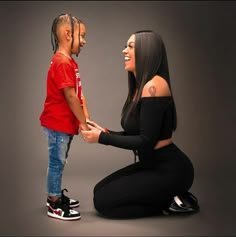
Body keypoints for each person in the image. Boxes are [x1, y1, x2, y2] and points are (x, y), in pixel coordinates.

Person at [80, 30, 199, 219]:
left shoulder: (154, 86)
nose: (124, 51)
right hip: (151, 165)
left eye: (130, 47)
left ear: (147, 52)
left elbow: (146, 141)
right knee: (99, 190)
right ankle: (167, 197)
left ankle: (169, 202)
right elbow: (137, 133)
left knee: (103, 202)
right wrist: (105, 131)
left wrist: (102, 138)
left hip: (170, 170)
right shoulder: (140, 88)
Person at [39, 13, 90, 221]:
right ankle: (54, 202)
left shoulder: (69, 62)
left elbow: (78, 93)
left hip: (64, 124)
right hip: (57, 124)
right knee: (57, 162)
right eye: (83, 36)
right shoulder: (61, 62)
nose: (85, 41)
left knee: (60, 161)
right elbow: (70, 96)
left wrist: (84, 118)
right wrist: (83, 123)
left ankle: (56, 194)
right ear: (68, 34)